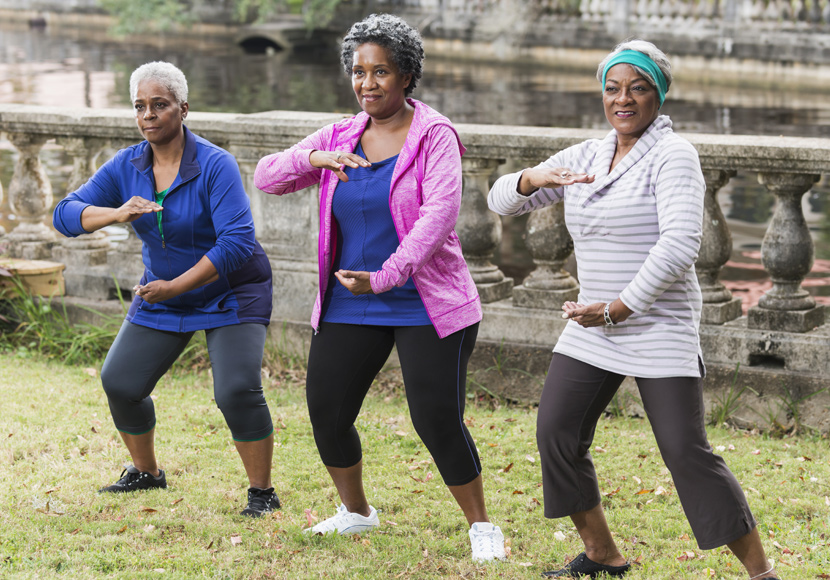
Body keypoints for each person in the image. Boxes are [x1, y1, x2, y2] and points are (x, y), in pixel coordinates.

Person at [488, 40, 779, 579]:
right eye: (613, 88)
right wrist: (533, 179)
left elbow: (680, 245)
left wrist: (619, 308)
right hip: (591, 324)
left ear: (658, 95)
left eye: (637, 88)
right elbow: (498, 200)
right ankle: (602, 554)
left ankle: (762, 573)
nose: (623, 99)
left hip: (654, 321)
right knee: (556, 432)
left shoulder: (674, 156)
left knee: (686, 452)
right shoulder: (586, 156)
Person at [254, 13, 505, 562]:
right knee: (326, 409)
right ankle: (357, 512)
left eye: (382, 72)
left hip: (426, 300)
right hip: (350, 298)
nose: (368, 83)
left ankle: (482, 525)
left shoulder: (435, 136)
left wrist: (386, 277)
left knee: (435, 417)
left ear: (408, 75)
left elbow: (438, 217)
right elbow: (266, 175)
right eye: (359, 72)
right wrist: (312, 157)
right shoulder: (340, 135)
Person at [53, 61, 280, 518]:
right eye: (140, 106)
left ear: (183, 108)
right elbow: (64, 214)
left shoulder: (216, 164)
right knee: (120, 381)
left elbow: (236, 243)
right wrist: (115, 213)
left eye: (160, 105)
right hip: (162, 293)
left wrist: (175, 286)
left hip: (231, 291)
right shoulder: (127, 165)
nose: (148, 115)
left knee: (235, 390)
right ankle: (147, 473)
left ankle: (262, 493)